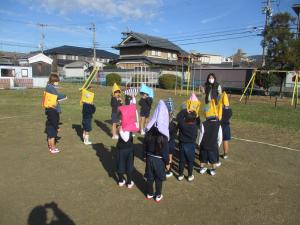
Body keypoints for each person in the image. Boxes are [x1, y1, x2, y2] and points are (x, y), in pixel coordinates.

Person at [144, 100, 170, 202]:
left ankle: (150, 193)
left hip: (149, 158)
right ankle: (158, 195)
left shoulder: (149, 131)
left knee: (150, 177)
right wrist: (167, 163)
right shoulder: (163, 134)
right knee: (158, 178)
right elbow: (165, 151)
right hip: (159, 161)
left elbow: (145, 144)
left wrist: (145, 155)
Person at [198, 100, 223, 176]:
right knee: (213, 160)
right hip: (213, 146)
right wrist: (218, 144)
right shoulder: (218, 124)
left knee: (203, 158)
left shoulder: (204, 124)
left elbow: (201, 135)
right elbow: (220, 137)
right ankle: (213, 170)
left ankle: (202, 168)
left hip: (204, 145)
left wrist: (199, 143)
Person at [44, 74, 66, 154]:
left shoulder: (49, 86)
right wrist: (65, 96)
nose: (58, 82)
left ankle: (50, 147)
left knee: (49, 135)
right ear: (53, 81)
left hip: (50, 110)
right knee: (52, 135)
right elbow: (57, 96)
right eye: (57, 81)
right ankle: (53, 148)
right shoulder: (50, 87)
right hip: (52, 109)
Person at [176, 109, 198, 182]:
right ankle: (189, 175)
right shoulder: (195, 126)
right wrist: (193, 112)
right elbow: (197, 118)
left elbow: (178, 117)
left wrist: (185, 110)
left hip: (182, 144)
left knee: (182, 161)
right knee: (190, 161)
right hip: (191, 145)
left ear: (186, 118)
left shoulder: (182, 124)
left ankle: (180, 175)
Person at [164, 98, 177, 178]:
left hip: (165, 142)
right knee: (170, 157)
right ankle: (168, 171)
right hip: (171, 143)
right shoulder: (174, 125)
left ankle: (166, 169)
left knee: (164, 156)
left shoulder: (163, 123)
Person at [220, 92, 232, 159]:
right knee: (225, 140)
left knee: (216, 140)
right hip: (227, 127)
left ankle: (214, 153)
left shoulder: (220, 109)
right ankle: (225, 154)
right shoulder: (230, 110)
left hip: (220, 126)